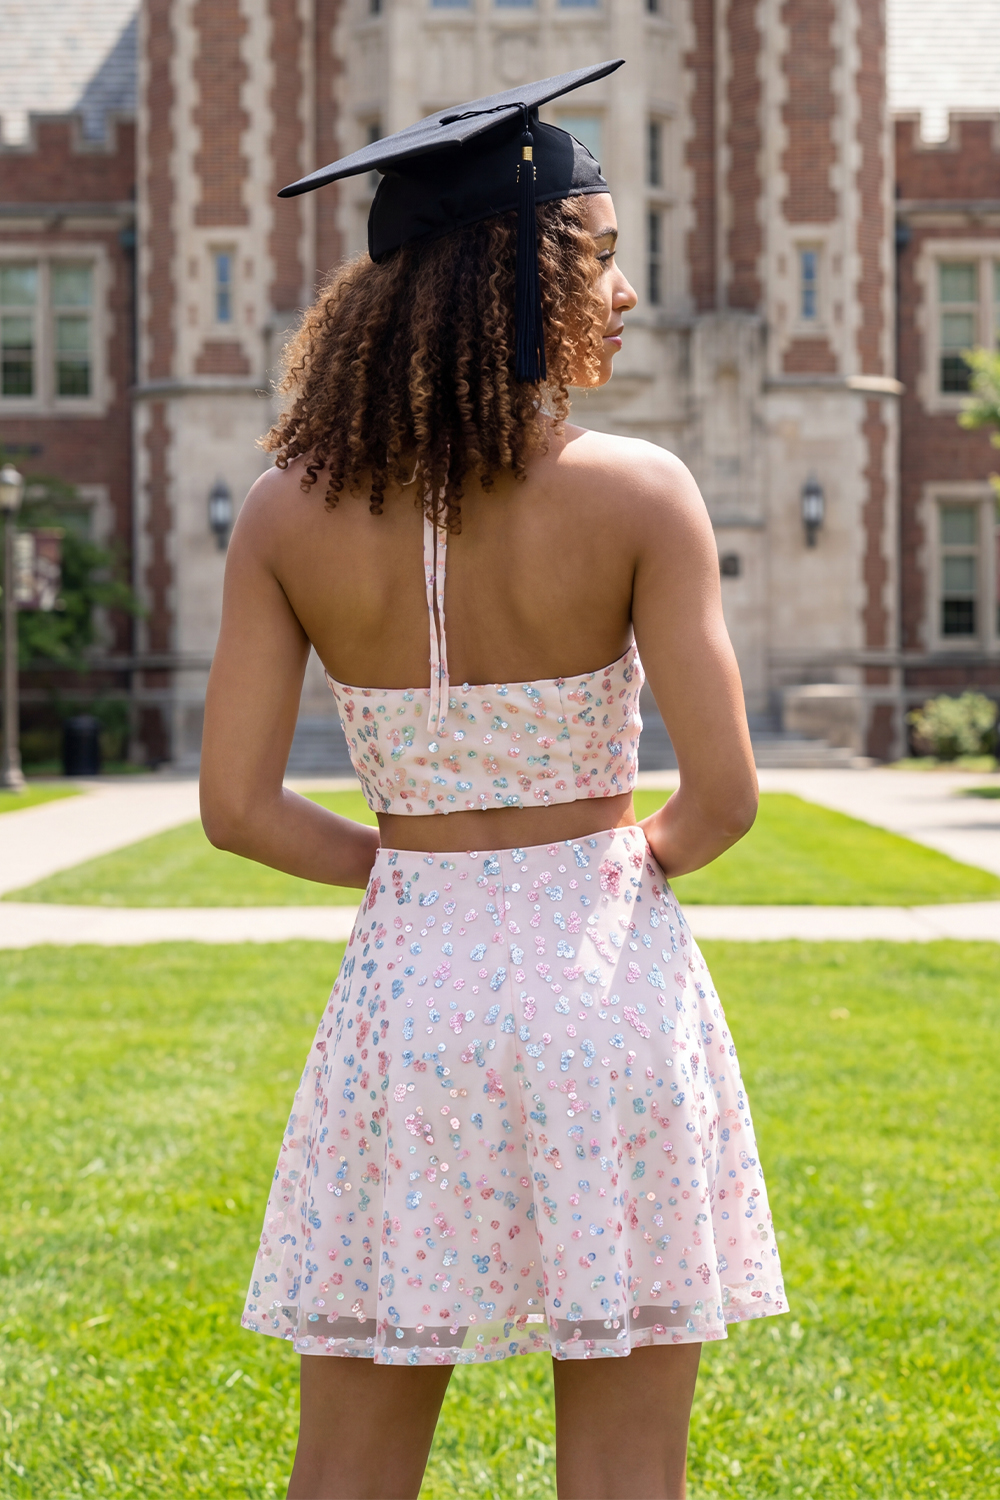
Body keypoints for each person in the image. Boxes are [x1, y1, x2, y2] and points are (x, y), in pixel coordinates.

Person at [200, 61, 786, 1500]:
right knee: (630, 1470)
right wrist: (604, 864)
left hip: (410, 1002)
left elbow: (237, 808)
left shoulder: (287, 510)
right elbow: (722, 800)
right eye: (596, 254)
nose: (628, 290)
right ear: (509, 279)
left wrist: (412, 867)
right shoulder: (645, 493)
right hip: (608, 991)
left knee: (346, 1466)